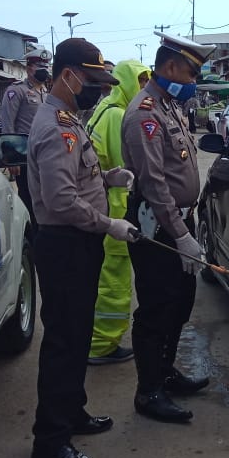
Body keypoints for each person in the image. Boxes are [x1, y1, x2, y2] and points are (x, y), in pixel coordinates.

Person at [27, 38, 138, 458]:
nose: (98, 88)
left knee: (76, 336)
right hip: (66, 243)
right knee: (63, 343)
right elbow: (60, 201)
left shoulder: (71, 118)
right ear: (69, 74)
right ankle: (50, 440)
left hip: (76, 242)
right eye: (92, 80)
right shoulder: (57, 125)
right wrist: (110, 224)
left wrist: (109, 176)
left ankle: (72, 412)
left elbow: (75, 175)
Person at [121, 32, 215, 423]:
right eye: (191, 71)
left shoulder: (170, 107)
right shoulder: (145, 114)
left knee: (181, 302)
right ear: (171, 66)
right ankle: (149, 391)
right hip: (158, 226)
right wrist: (179, 234)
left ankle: (165, 371)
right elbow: (155, 184)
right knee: (157, 308)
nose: (194, 80)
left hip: (177, 222)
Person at [85, 59, 151, 365]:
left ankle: (99, 340)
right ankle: (102, 345)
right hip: (114, 207)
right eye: (138, 81)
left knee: (105, 278)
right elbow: (125, 163)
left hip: (104, 202)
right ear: (125, 82)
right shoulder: (117, 116)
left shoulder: (104, 109)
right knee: (114, 282)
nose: (142, 88)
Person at [0, 48, 51, 230]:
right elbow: (7, 123)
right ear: (29, 68)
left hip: (45, 156)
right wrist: (11, 156)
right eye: (40, 66)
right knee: (31, 202)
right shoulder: (16, 91)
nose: (44, 69)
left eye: (46, 65)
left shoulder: (46, 93)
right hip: (25, 157)